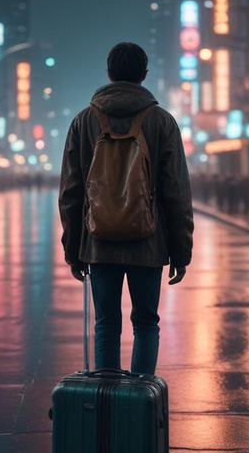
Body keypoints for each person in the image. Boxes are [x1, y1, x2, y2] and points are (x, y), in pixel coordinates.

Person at [58, 42, 194, 375]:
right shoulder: (162, 122)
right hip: (148, 241)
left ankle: (107, 408)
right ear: (144, 75)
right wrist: (181, 251)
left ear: (109, 73)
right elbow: (176, 191)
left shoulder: (84, 121)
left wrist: (73, 249)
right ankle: (141, 408)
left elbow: (71, 193)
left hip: (98, 241)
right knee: (146, 323)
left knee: (106, 323)